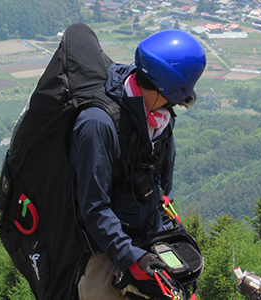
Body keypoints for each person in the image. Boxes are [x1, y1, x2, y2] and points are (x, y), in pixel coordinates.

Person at [70, 29, 206, 299]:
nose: (176, 105)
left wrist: (161, 242)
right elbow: (94, 207)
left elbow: (161, 185)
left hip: (143, 242)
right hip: (101, 249)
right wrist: (131, 257)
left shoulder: (159, 120)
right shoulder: (98, 124)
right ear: (167, 88)